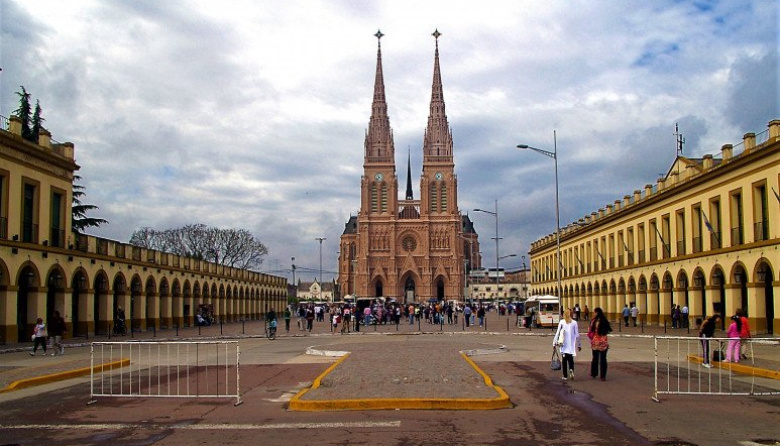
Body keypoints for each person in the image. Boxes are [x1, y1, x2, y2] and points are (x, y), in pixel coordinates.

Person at [553, 309, 581, 380]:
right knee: (571, 359)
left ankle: (565, 376)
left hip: (563, 344)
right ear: (571, 314)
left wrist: (554, 342)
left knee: (564, 360)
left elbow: (558, 332)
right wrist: (579, 345)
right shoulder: (574, 322)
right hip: (571, 345)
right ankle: (571, 369)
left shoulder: (562, 322)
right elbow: (577, 335)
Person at [588, 307, 612, 381]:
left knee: (595, 358)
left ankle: (594, 373)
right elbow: (608, 330)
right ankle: (603, 376)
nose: (594, 314)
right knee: (603, 359)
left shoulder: (594, 321)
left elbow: (590, 330)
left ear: (597, 313)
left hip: (595, 342)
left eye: (594, 312)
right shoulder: (605, 321)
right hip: (603, 342)